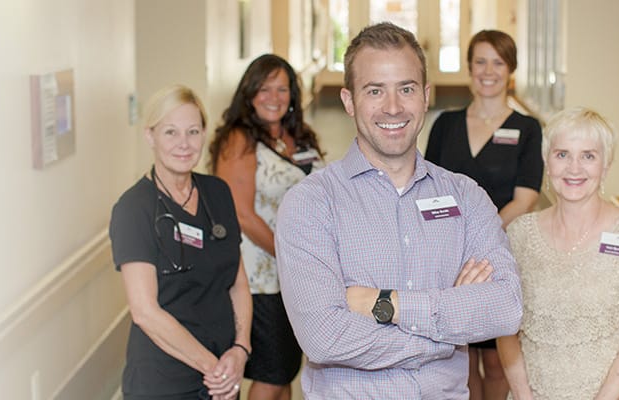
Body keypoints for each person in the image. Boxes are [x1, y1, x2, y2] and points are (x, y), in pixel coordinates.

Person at [274, 22, 523, 398]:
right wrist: (444, 337)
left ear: (425, 96)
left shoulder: (466, 196)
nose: (393, 107)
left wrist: (385, 304)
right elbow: (324, 337)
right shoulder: (311, 203)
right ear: (349, 100)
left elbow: (505, 308)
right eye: (375, 91)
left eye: (406, 89)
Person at [497, 108, 619, 400]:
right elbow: (506, 328)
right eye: (562, 154)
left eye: (588, 156)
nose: (574, 168)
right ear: (547, 162)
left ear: (606, 166)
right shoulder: (519, 235)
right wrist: (524, 396)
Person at [421, 29, 543, 400]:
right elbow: (427, 188)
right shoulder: (446, 125)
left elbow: (525, 199)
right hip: (448, 258)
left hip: (500, 256)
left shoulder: (527, 129)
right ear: (469, 67)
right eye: (480, 62)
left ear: (511, 70)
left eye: (498, 62)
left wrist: (478, 239)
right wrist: (453, 246)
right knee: (460, 357)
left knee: (495, 359)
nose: (487, 71)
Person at [110, 85, 253, 400]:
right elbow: (145, 311)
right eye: (171, 132)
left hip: (224, 372)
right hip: (165, 381)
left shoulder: (218, 193)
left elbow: (238, 283)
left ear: (204, 134)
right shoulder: (135, 209)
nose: (184, 144)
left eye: (193, 131)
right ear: (150, 136)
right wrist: (214, 369)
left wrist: (241, 349)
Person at [208, 54, 323, 400]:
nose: (273, 97)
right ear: (249, 93)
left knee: (287, 368)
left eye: (282, 89)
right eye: (264, 88)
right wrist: (288, 254)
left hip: (295, 274)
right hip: (259, 277)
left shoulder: (296, 136)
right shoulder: (239, 139)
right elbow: (240, 213)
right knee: (272, 374)